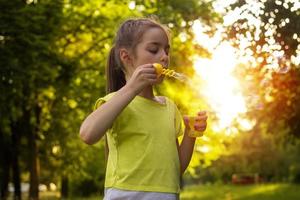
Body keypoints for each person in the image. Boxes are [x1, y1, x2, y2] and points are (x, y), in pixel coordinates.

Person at [79, 17, 208, 200]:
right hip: (125, 194)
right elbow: (87, 134)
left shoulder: (169, 108)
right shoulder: (115, 102)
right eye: (154, 49)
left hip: (166, 195)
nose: (164, 57)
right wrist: (132, 88)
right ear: (126, 57)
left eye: (166, 50)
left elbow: (176, 168)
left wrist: (191, 133)